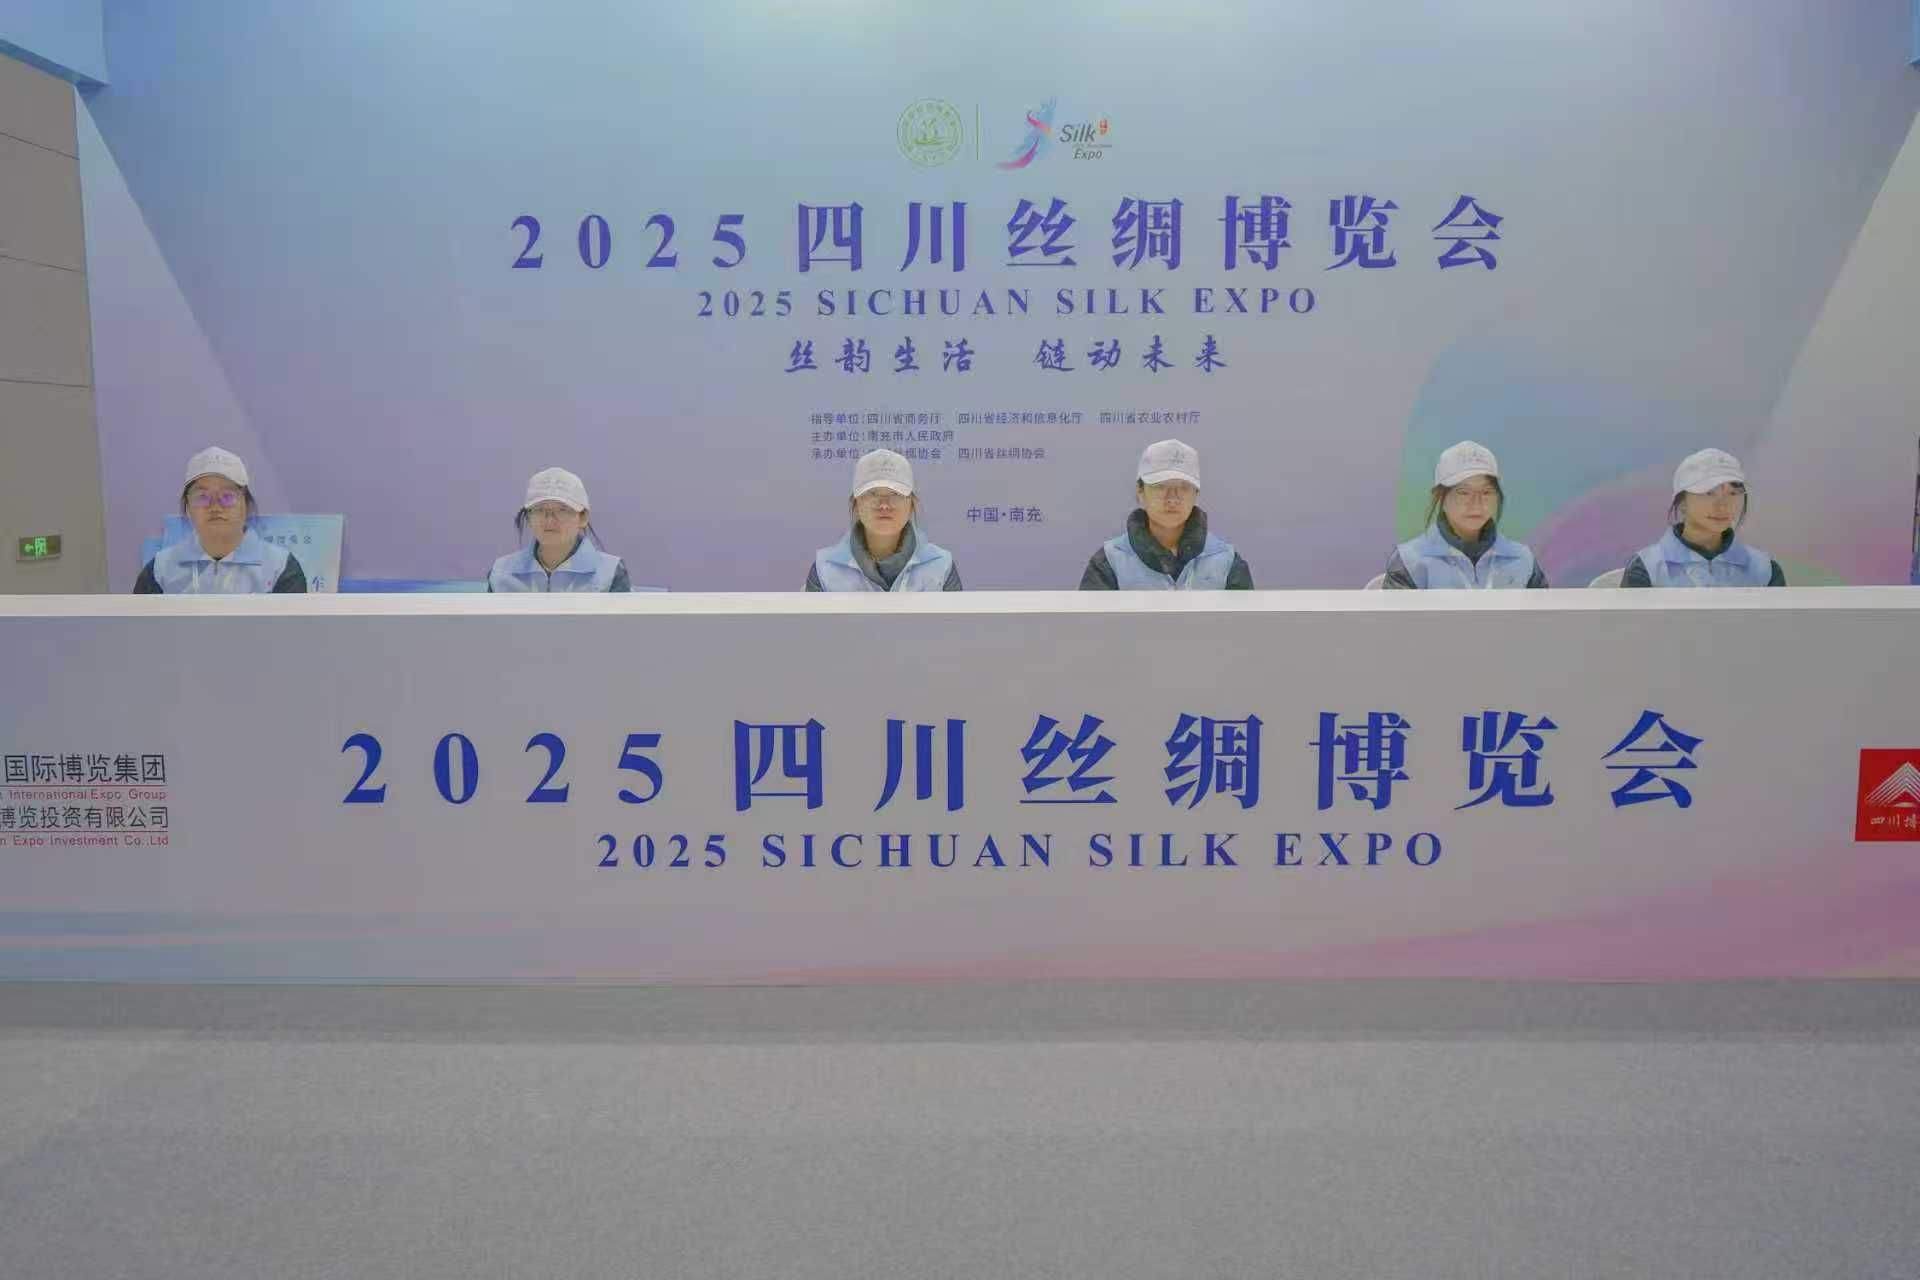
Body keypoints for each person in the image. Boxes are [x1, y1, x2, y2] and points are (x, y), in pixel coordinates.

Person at [1079, 439, 1253, 589]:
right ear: (1140, 491)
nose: (1172, 498)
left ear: (1196, 494)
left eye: (1184, 488)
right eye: (1160, 486)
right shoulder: (1109, 562)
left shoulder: (1226, 560)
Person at [133, 446, 307, 593]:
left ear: (246, 505)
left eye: (227, 496)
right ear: (188, 508)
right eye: (202, 497)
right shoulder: (159, 571)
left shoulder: (281, 568)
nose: (215, 506)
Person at [1383, 440, 1547, 588]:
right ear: (1440, 497)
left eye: (1486, 492)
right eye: (1463, 492)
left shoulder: (1522, 559)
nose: (1476, 503)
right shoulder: (1409, 561)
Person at [1623, 448, 1784, 587]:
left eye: (1733, 493)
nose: (1722, 505)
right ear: (1682, 501)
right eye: (1709, 493)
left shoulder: (1765, 570)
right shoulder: (1647, 568)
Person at [806, 449, 961, 591]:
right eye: (872, 494)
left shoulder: (941, 566)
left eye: (895, 494)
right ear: (856, 503)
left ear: (911, 504)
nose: (884, 505)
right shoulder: (825, 569)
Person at [488, 467, 631, 592]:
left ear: (583, 517)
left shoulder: (610, 573)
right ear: (528, 518)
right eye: (539, 510)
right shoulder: (501, 573)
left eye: (563, 510)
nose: (549, 520)